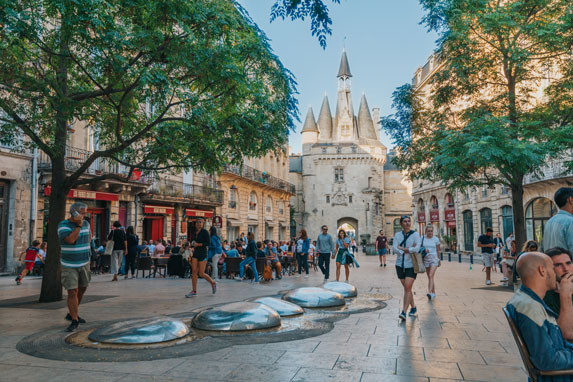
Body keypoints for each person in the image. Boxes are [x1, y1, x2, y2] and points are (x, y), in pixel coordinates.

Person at [506, 252, 573, 378]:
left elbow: (558, 343)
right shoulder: (531, 309)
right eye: (553, 268)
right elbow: (546, 360)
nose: (555, 274)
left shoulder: (527, 300)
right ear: (542, 271)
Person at [58, 202, 92, 332]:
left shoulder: (87, 224)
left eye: (85, 212)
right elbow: (71, 240)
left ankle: (72, 313)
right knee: (72, 291)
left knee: (83, 288)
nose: (85, 215)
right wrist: (78, 226)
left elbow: (89, 238)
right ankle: (74, 320)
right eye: (82, 213)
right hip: (69, 264)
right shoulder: (63, 225)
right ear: (74, 213)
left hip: (84, 262)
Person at [393, 215, 421, 320]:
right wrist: (406, 249)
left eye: (408, 221)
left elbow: (417, 248)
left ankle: (404, 312)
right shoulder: (397, 235)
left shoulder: (415, 235)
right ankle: (413, 307)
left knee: (407, 288)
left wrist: (405, 249)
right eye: (405, 221)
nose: (407, 223)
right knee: (407, 289)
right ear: (401, 223)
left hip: (411, 265)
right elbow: (394, 248)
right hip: (400, 265)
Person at [543, 247, 573, 341]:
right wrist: (565, 294)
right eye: (558, 265)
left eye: (568, 263)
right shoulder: (546, 296)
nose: (566, 269)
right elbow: (566, 334)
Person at [186, 218, 216, 297]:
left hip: (203, 253)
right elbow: (193, 241)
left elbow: (208, 243)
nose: (199, 224)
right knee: (194, 272)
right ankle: (194, 291)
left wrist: (198, 244)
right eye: (197, 222)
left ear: (203, 224)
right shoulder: (194, 232)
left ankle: (212, 282)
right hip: (196, 253)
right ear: (195, 224)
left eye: (200, 222)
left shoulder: (205, 232)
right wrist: (192, 244)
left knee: (201, 273)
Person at [543, 187, 573, 253]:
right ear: (570, 200)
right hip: (566, 262)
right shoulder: (570, 221)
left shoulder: (549, 222)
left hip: (550, 262)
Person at [422, 226, 441, 300]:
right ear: (426, 231)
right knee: (430, 277)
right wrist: (424, 250)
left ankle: (429, 292)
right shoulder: (422, 238)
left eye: (431, 231)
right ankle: (433, 293)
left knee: (430, 275)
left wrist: (439, 260)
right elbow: (419, 247)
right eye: (429, 231)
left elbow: (438, 250)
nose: (430, 232)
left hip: (434, 259)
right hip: (426, 259)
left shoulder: (436, 239)